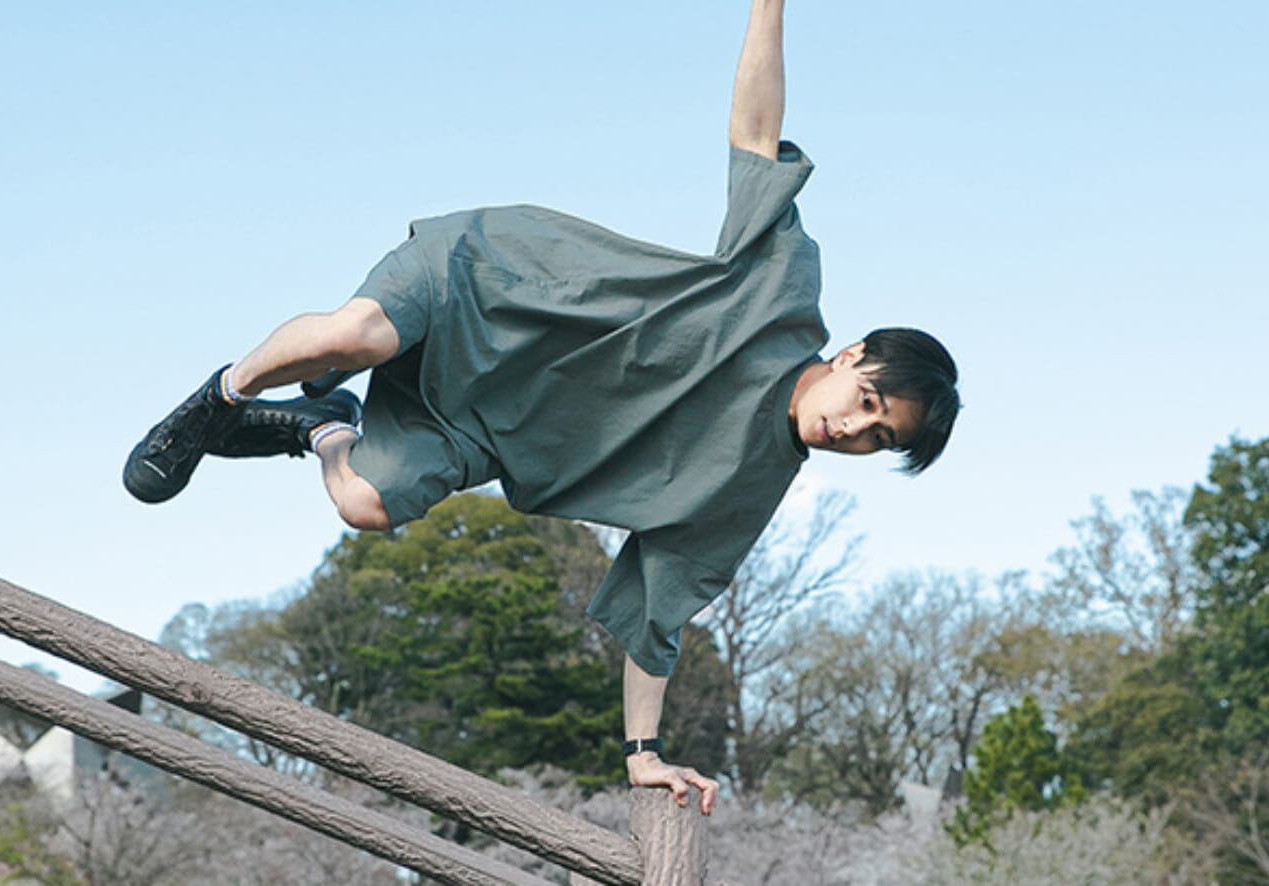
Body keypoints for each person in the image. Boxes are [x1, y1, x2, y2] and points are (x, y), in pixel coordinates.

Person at [124, 0, 959, 816]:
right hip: (491, 287)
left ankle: (322, 424)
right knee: (356, 333)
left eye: (876, 438)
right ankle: (219, 398)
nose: (853, 430)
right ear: (851, 355)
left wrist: (643, 755)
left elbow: (658, 608)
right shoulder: (781, 285)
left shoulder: (746, 489)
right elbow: (755, 133)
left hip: (478, 426)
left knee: (364, 504)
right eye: (867, 402)